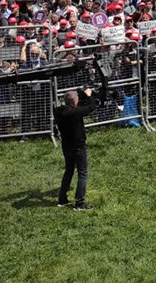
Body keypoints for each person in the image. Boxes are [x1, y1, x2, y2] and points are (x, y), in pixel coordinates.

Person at [54, 62, 108, 211]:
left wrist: (80, 95)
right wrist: (88, 95)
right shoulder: (75, 113)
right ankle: (79, 203)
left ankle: (62, 198)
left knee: (69, 170)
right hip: (78, 146)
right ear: (75, 102)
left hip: (66, 146)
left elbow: (73, 105)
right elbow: (91, 107)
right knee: (82, 173)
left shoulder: (59, 112)